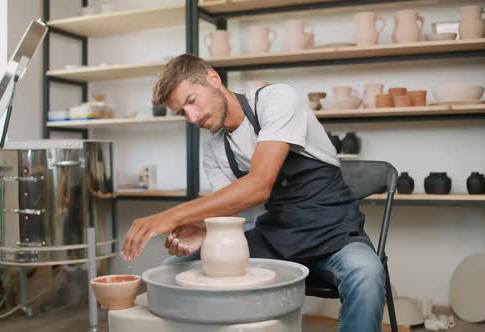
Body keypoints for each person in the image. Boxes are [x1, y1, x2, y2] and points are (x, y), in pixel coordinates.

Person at [122, 54, 385, 332]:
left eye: (191, 101)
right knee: (171, 270)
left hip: (333, 237)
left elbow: (259, 184)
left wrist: (170, 217)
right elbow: (231, 211)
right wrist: (205, 230)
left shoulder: (277, 99)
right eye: (181, 113)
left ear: (213, 78)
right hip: (275, 241)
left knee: (366, 273)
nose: (193, 117)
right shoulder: (214, 148)